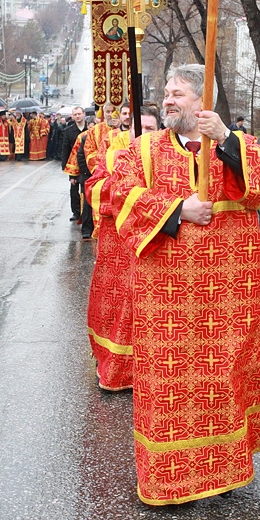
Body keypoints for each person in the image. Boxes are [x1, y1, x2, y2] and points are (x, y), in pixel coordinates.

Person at [110, 64, 260, 505]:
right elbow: (120, 194)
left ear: (203, 101)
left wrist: (225, 137)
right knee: (169, 394)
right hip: (166, 306)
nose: (168, 100)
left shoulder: (236, 144)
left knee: (223, 385)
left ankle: (224, 473)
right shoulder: (144, 149)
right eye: (167, 92)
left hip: (227, 303)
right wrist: (178, 210)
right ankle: (170, 483)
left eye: (179, 93)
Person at [85, 106, 161, 390]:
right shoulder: (112, 157)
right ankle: (118, 368)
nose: (142, 134)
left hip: (153, 248)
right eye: (138, 128)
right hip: (117, 249)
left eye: (150, 129)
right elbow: (93, 190)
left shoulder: (167, 159)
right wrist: (127, 194)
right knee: (117, 311)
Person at [61, 106, 87, 222]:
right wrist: (66, 168)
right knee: (74, 189)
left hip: (87, 164)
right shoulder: (69, 131)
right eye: (75, 114)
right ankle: (76, 212)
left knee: (86, 189)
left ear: (83, 114)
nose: (77, 116)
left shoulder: (90, 128)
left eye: (79, 114)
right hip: (74, 164)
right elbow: (65, 149)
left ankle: (86, 212)